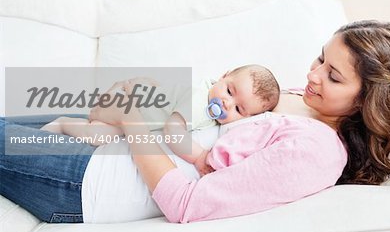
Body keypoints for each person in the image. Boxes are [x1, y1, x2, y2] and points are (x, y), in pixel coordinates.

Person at [0, 20, 390, 224]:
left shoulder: (315, 150)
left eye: (334, 76)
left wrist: (133, 120)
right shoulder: (300, 100)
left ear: (363, 103)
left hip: (93, 180)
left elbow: (188, 202)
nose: (313, 74)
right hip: (107, 145)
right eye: (321, 58)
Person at [40, 64, 280, 176]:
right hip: (124, 103)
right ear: (223, 75)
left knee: (99, 133)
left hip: (132, 108)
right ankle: (62, 123)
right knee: (97, 136)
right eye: (229, 91)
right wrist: (198, 157)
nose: (227, 104)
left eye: (238, 108)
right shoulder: (199, 101)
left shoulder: (208, 101)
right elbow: (173, 130)